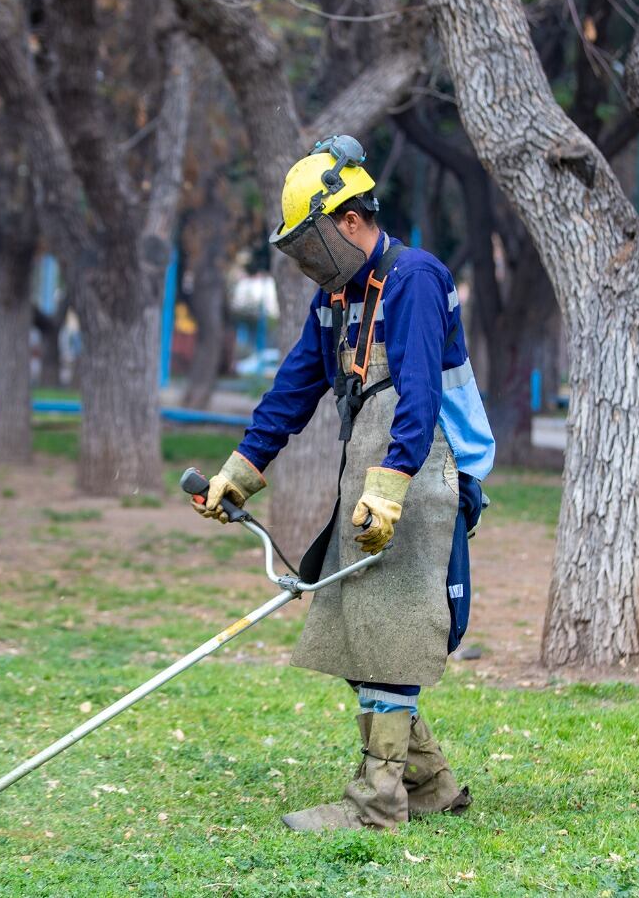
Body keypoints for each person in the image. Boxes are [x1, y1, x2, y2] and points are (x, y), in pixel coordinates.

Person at [192, 135, 495, 832]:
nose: (305, 260)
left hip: (427, 470)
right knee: (357, 621)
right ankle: (430, 784)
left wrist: (391, 486)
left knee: (388, 627)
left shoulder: (415, 277)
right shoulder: (337, 300)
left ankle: (379, 802)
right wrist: (239, 472)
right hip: (376, 471)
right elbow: (293, 388)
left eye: (311, 241)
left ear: (350, 220)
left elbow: (417, 394)